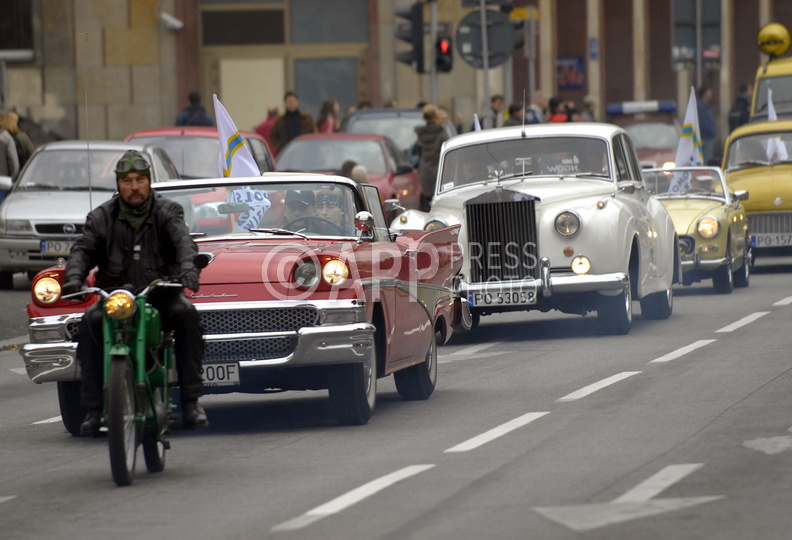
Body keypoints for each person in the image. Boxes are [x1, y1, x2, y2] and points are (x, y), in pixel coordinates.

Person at [61, 150, 208, 435]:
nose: (134, 186)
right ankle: (92, 409)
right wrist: (73, 278)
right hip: (116, 297)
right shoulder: (102, 216)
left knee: (187, 315)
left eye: (140, 179)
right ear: (118, 184)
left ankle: (191, 402)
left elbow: (183, 242)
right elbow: (82, 249)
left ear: (149, 182)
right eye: (127, 180)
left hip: (160, 294)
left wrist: (189, 269)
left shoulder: (168, 211)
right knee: (89, 323)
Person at [414, 104, 449, 211]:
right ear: (435, 116)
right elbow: (446, 150)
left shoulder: (421, 134)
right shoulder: (441, 133)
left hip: (424, 169)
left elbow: (418, 152)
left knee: (427, 198)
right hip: (438, 169)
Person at [697, 86, 717, 164]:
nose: (711, 94)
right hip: (705, 138)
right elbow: (702, 122)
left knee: (708, 157)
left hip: (708, 137)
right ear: (704, 94)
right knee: (706, 159)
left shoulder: (705, 106)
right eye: (709, 92)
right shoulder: (701, 107)